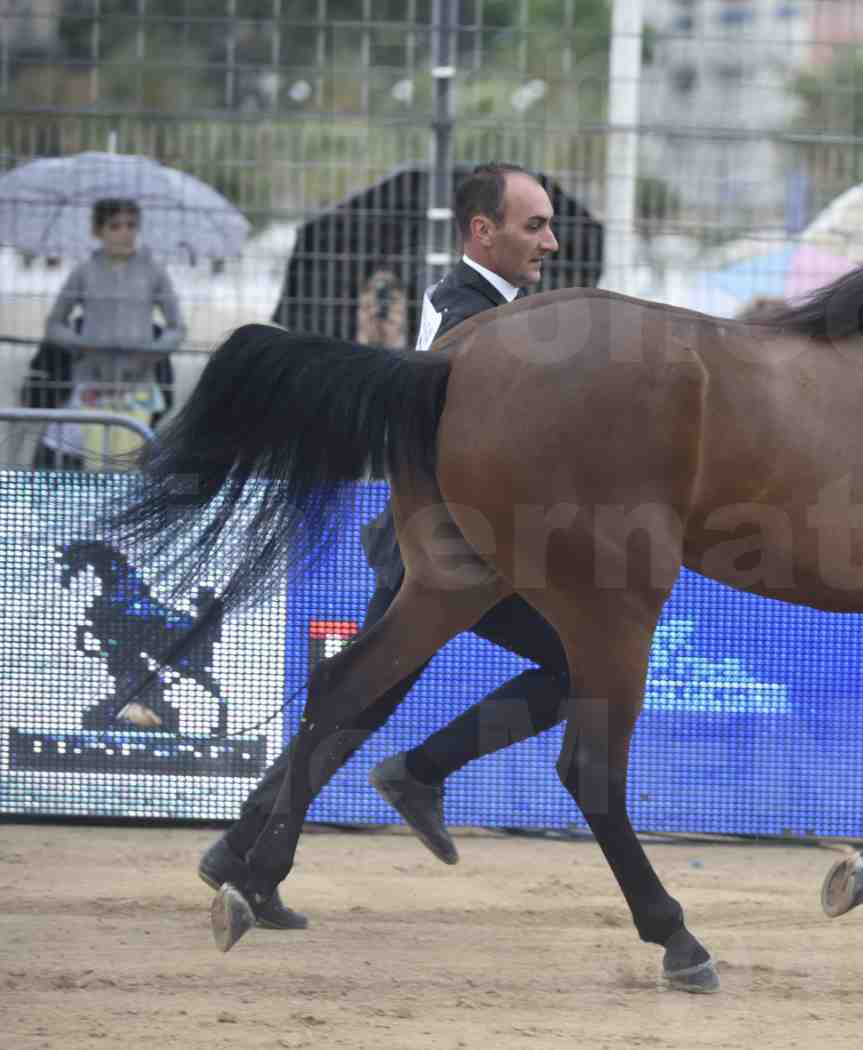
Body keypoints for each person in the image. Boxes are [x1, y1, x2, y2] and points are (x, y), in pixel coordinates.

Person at [199, 163, 565, 929]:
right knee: (363, 703)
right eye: (534, 226)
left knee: (362, 704)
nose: (551, 242)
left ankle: (251, 846)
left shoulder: (501, 313)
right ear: (481, 231)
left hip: (469, 554)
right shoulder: (460, 315)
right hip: (436, 554)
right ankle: (400, 780)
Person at [35, 198, 184, 470]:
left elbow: (177, 328)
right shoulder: (83, 272)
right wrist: (82, 346)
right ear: (98, 231)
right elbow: (54, 324)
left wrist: (151, 352)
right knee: (90, 461)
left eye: (131, 225)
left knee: (127, 464)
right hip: (92, 383)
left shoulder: (154, 273)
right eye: (115, 226)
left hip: (137, 385)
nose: (125, 232)